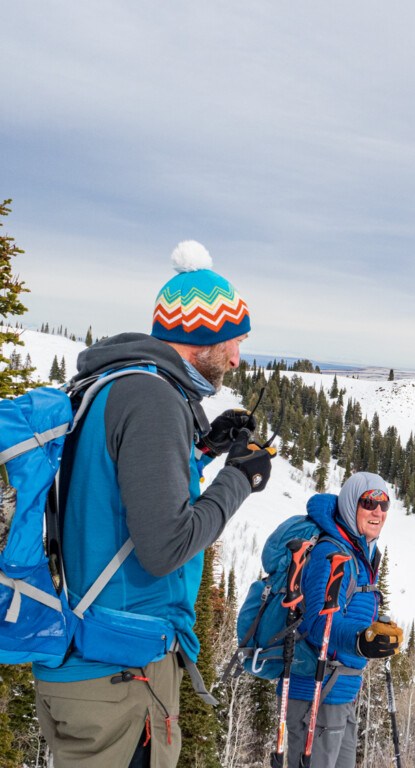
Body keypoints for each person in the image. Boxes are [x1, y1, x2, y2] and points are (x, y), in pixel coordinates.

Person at [33, 241, 275, 768]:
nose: (237, 358)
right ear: (201, 337)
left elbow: (119, 494)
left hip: (93, 660)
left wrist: (206, 449)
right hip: (120, 672)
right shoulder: (153, 398)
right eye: (233, 341)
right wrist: (239, 480)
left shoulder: (115, 383)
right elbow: (165, 546)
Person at [285, 471, 403, 768]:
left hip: (340, 694)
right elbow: (317, 621)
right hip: (317, 693)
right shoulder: (332, 551)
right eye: (369, 502)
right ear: (352, 504)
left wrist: (374, 632)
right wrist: (361, 641)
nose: (377, 511)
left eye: (384, 504)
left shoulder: (359, 553)